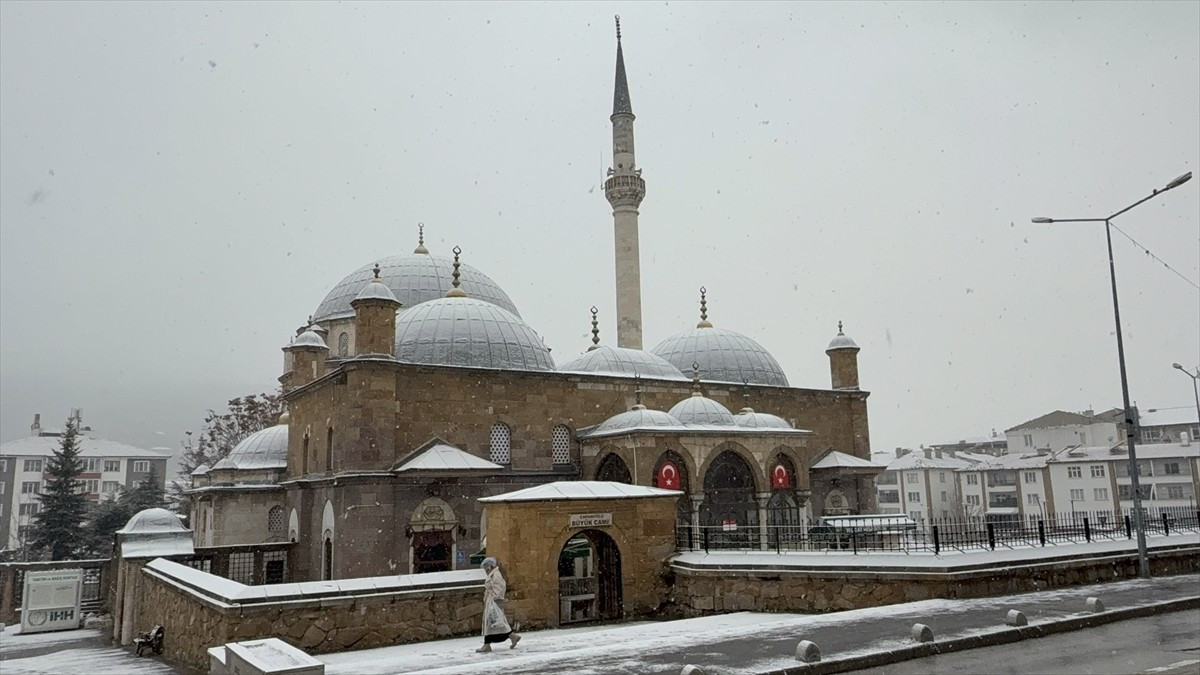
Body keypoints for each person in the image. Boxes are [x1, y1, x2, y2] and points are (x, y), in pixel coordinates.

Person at [477, 557, 521, 653]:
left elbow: (500, 587)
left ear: (489, 567)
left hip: (493, 602)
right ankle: (512, 636)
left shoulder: (495, 575)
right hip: (491, 601)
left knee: (493, 623)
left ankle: (487, 645)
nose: (485, 570)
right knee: (496, 623)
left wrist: (495, 598)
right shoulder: (493, 575)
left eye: (485, 568)